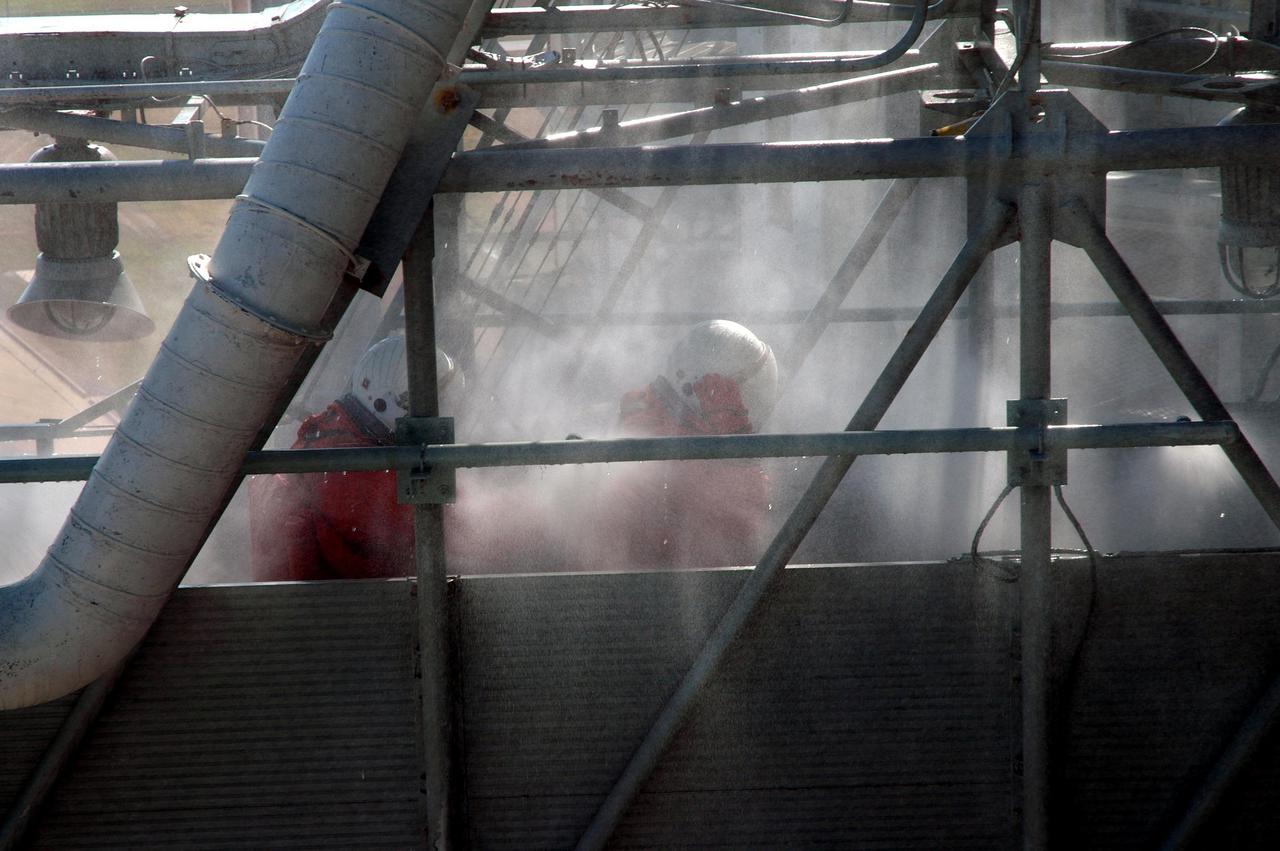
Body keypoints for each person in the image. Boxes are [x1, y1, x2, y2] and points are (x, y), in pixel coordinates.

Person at [249, 336, 461, 581]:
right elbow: (445, 527)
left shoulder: (324, 439)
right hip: (341, 614)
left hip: (304, 610)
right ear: (388, 401)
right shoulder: (356, 473)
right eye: (430, 407)